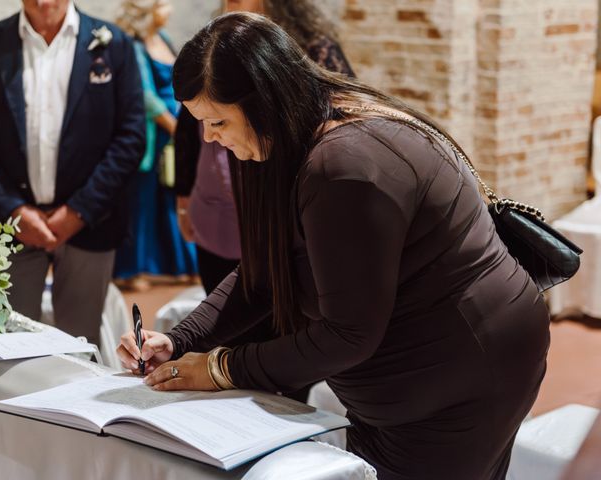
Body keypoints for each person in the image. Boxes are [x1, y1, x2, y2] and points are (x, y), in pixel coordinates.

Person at [117, 13, 550, 479]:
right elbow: (265, 269)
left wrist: (222, 367)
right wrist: (181, 339)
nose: (209, 138)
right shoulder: (290, 133)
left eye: (218, 120)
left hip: (462, 368)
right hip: (413, 371)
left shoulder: (341, 165)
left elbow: (349, 333)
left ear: (264, 99)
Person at [0, 0, 145, 346]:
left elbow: (131, 136)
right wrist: (13, 209)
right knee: (10, 346)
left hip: (90, 222)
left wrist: (78, 212)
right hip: (12, 226)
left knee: (79, 346)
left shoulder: (113, 43)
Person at [175, 0, 354, 295]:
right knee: (224, 299)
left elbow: (335, 117)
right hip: (215, 204)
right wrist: (183, 200)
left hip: (278, 200)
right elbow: (186, 133)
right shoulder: (212, 49)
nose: (229, 4)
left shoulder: (311, 49)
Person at [114, 0, 197, 292]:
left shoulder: (162, 39)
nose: (169, 9)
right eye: (162, 4)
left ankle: (178, 266)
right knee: (143, 203)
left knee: (170, 201)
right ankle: (133, 268)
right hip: (153, 135)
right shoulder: (134, 44)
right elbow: (145, 95)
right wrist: (175, 127)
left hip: (175, 133)